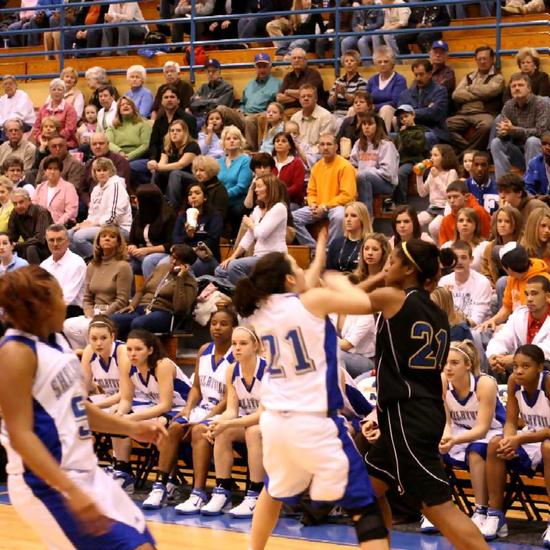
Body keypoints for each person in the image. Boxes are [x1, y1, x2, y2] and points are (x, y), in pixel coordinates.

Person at [0, 266, 165, 550]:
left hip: (87, 471)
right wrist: (70, 490)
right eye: (59, 297)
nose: (64, 304)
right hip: (47, 483)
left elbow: (78, 407)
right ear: (39, 306)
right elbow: (19, 434)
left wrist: (131, 427)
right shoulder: (15, 352)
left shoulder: (57, 341)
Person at [233, 252, 389, 550]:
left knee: (273, 491)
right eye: (297, 266)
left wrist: (319, 261)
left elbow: (303, 289)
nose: (304, 269)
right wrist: (336, 280)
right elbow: (364, 303)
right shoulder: (312, 301)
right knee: (365, 508)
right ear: (289, 278)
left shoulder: (260, 309)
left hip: (275, 423)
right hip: (313, 422)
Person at [347, 239, 489, 549]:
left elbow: (344, 300)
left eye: (393, 261)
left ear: (409, 269)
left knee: (436, 506)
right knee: (366, 491)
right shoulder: (438, 313)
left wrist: (374, 276)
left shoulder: (394, 298)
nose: (388, 266)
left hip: (407, 415)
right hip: (416, 411)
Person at [142, 309, 237, 511]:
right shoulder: (204, 350)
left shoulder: (236, 354)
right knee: (174, 427)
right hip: (201, 408)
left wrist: (206, 418)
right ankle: (161, 485)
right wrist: (187, 409)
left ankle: (198, 492)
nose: (217, 328)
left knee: (198, 430)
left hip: (225, 411)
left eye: (223, 324)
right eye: (214, 323)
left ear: (234, 328)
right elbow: (196, 387)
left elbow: (229, 397)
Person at [426, 340, 505, 533]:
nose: (448, 368)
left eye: (454, 363)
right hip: (460, 430)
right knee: (431, 447)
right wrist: (446, 437)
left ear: (468, 365)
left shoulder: (485, 383)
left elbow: (482, 429)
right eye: (445, 363)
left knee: (475, 451)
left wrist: (454, 440)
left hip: (492, 431)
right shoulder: (442, 381)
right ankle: (437, 508)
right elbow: (446, 422)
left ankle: (481, 510)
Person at [482, 344, 550, 544]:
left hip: (544, 440)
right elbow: (511, 422)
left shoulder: (548, 383)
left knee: (548, 447)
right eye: (515, 366)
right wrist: (509, 440)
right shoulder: (513, 381)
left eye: (526, 366)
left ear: (540, 367)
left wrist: (519, 439)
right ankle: (495, 515)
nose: (518, 371)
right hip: (532, 437)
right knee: (496, 444)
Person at [112, 329, 192, 492]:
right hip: (154, 405)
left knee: (160, 424)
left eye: (138, 349)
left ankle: (169, 478)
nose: (132, 354)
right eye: (129, 349)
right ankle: (123, 472)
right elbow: (126, 399)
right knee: (116, 418)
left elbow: (165, 405)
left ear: (150, 350)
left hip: (183, 406)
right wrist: (120, 414)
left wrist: (132, 418)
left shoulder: (162, 365)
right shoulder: (127, 365)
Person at [200, 326, 267, 517]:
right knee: (222, 431)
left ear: (255, 346)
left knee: (252, 431)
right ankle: (222, 490)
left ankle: (255, 494)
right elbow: (231, 410)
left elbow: (262, 414)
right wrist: (216, 423)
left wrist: (228, 423)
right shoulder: (231, 370)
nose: (237, 348)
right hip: (250, 422)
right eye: (234, 343)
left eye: (243, 343)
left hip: (278, 422)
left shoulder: (268, 370)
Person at [63, 225, 133, 350]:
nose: (107, 239)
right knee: (67, 325)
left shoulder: (123, 266)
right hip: (94, 311)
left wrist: (103, 316)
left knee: (88, 328)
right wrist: (89, 313)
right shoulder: (92, 265)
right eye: (104, 236)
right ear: (98, 241)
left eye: (112, 237)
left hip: (112, 313)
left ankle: (95, 355)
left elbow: (122, 300)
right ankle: (82, 355)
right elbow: (87, 297)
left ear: (118, 243)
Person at [111, 244, 198, 340]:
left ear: (186, 265)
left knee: (138, 323)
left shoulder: (190, 282)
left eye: (178, 260)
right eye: (172, 257)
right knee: (114, 320)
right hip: (143, 308)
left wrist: (180, 279)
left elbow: (180, 308)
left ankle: (134, 346)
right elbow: (142, 290)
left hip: (163, 313)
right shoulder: (161, 268)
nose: (173, 261)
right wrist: (132, 305)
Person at [215, 174, 287, 285]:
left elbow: (262, 233)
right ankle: (242, 291)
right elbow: (248, 237)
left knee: (234, 267)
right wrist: (232, 257)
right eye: (255, 187)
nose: (256, 190)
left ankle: (250, 293)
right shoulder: (257, 209)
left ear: (270, 188)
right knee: (220, 271)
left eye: (259, 186)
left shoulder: (279, 208)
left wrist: (250, 224)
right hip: (257, 257)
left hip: (273, 257)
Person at [292, 133, 357, 248]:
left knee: (339, 216)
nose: (325, 147)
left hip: (338, 206)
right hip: (318, 206)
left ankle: (332, 250)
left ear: (336, 147)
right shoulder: (316, 167)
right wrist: (313, 204)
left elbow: (348, 195)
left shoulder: (345, 166)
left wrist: (325, 206)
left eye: (329, 144)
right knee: (292, 217)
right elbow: (311, 192)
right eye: (322, 144)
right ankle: (314, 249)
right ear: (318, 147)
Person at [479, 242, 550, 333]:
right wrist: (493, 320)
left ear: (508, 269)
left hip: (538, 329)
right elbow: (507, 307)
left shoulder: (542, 281)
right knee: (482, 331)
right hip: (516, 324)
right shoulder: (512, 278)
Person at [490, 73, 550, 180]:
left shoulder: (541, 103)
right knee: (496, 143)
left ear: (529, 88)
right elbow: (502, 131)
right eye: (513, 86)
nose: (517, 88)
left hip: (540, 151)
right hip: (518, 152)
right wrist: (503, 132)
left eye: (520, 85)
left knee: (532, 141)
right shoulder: (508, 105)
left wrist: (514, 130)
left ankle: (533, 183)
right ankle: (504, 183)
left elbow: (541, 131)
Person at [69, 157, 132, 259]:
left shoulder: (116, 186)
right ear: (94, 173)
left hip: (119, 228)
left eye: (105, 170)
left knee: (79, 237)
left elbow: (113, 217)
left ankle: (102, 261)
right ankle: (86, 261)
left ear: (110, 171)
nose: (101, 173)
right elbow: (92, 214)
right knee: (69, 234)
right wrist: (83, 224)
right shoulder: (96, 189)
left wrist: (93, 224)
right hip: (101, 226)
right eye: (98, 170)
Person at [486, 276, 550, 376]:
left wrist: (515, 359)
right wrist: (495, 356)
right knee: (492, 364)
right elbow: (501, 338)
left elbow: (546, 350)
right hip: (516, 366)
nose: (529, 299)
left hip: (542, 367)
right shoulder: (519, 314)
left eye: (534, 294)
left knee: (543, 363)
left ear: (547, 296)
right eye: (527, 294)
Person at [447, 46, 504, 154]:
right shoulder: (468, 76)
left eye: (485, 59)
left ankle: (465, 154)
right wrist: (480, 93)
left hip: (484, 113)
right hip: (463, 113)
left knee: (487, 126)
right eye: (479, 59)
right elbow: (456, 95)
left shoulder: (498, 77)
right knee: (445, 126)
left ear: (492, 59)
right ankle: (469, 151)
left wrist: (469, 88)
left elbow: (489, 91)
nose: (482, 62)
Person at [349, 114, 399, 217]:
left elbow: (388, 172)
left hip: (386, 183)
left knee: (363, 177)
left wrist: (365, 172)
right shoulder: (358, 143)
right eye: (364, 124)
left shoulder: (386, 145)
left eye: (370, 124)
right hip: (363, 179)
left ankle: (367, 219)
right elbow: (352, 164)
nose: (366, 127)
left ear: (378, 126)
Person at [173, 182, 223, 276]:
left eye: (197, 193)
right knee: (163, 263)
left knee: (188, 267)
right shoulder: (182, 216)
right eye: (190, 194)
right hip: (184, 255)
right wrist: (188, 235)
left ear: (205, 198)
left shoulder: (214, 216)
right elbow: (176, 239)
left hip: (205, 257)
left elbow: (212, 240)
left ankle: (189, 286)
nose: (193, 196)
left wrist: (191, 249)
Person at [148, 119, 200, 209]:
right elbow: (161, 165)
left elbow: (180, 165)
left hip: (193, 179)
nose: (174, 133)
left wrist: (157, 167)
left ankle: (172, 207)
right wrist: (154, 165)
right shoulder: (168, 147)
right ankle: (153, 202)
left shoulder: (192, 146)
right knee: (157, 172)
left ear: (185, 133)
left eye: (178, 130)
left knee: (175, 173)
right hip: (175, 178)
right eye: (172, 131)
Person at [127, 183, 176, 278]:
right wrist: (132, 246)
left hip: (165, 254)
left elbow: (170, 245)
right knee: (125, 261)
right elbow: (132, 240)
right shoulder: (139, 215)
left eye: (138, 198)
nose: (135, 200)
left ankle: (151, 287)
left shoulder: (169, 216)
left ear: (148, 201)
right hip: (143, 253)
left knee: (149, 260)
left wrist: (147, 250)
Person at [439, 240, 493, 326]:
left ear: (471, 260)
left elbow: (477, 319)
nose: (459, 262)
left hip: (475, 328)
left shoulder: (482, 282)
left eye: (463, 258)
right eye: (455, 258)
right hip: (451, 327)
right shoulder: (443, 282)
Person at [398, 60, 449, 149]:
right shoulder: (405, 94)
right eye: (416, 75)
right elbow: (400, 115)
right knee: (393, 137)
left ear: (430, 74)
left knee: (423, 137)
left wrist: (410, 113)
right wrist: (425, 110)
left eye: (421, 74)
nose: (418, 78)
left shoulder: (440, 91)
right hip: (410, 129)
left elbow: (434, 115)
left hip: (433, 130)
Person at [81, 315, 127, 409]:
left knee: (114, 411)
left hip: (133, 400)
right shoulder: (89, 351)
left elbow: (124, 394)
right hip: (108, 399)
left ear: (112, 337)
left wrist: (93, 408)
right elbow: (83, 388)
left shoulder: (122, 351)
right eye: (94, 339)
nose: (98, 343)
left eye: (104, 338)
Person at [41, 223, 86, 318]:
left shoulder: (77, 263)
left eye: (59, 240)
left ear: (68, 241)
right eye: (51, 240)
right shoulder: (44, 265)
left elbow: (67, 298)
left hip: (72, 311)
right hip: (50, 307)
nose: (55, 244)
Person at [106, 96, 152, 188]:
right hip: (118, 157)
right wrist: (120, 152)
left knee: (127, 167)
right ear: (118, 110)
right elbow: (109, 143)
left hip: (139, 158)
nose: (125, 106)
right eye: (122, 105)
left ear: (133, 108)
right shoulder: (112, 127)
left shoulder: (143, 125)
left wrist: (129, 157)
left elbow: (145, 145)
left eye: (128, 104)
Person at [416, 144, 459, 240]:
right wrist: (419, 176)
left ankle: (438, 245)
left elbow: (449, 194)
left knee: (433, 227)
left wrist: (436, 177)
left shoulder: (451, 172)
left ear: (445, 157)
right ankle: (425, 243)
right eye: (431, 155)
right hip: (433, 208)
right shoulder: (432, 172)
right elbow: (422, 193)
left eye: (435, 155)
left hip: (446, 208)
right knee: (415, 221)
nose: (431, 158)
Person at [217, 126, 253, 237]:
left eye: (235, 138)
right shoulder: (218, 162)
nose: (232, 141)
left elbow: (241, 186)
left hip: (238, 201)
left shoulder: (246, 160)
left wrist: (222, 196)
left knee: (236, 211)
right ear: (223, 143)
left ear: (240, 141)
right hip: (222, 201)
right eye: (228, 139)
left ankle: (234, 240)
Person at [82, 133, 130, 208]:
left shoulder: (120, 161)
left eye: (101, 143)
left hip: (114, 204)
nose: (97, 146)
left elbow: (120, 186)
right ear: (90, 147)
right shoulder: (89, 165)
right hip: (93, 205)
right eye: (94, 144)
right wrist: (89, 203)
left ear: (108, 144)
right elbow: (82, 189)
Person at [365, 46, 407, 133]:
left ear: (392, 63)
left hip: (393, 112)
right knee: (353, 109)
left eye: (386, 61)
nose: (382, 64)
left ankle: (381, 137)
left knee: (386, 109)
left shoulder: (399, 79)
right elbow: (366, 98)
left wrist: (375, 107)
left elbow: (396, 102)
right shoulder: (372, 80)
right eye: (379, 62)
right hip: (373, 111)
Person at [480, 205, 522, 289]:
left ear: (516, 224)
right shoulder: (490, 247)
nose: (502, 225)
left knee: (502, 282)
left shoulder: (523, 245)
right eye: (499, 221)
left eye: (507, 221)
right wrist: (488, 282)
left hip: (519, 287)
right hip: (494, 289)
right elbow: (485, 272)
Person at [439, 179, 491, 246]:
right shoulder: (446, 220)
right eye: (449, 197)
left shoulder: (478, 211)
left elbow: (487, 236)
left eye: (455, 197)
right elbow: (443, 246)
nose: (451, 201)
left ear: (466, 197)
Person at [8, 188, 53, 264]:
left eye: (21, 202)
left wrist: (17, 245)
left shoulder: (41, 212)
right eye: (15, 203)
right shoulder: (15, 213)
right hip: (26, 246)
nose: (18, 206)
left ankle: (35, 272)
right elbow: (11, 236)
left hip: (46, 248)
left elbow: (39, 239)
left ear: (29, 201)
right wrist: (7, 244)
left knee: (30, 249)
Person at [393, 104, 428, 205]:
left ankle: (402, 203)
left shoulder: (419, 131)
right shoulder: (400, 133)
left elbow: (414, 149)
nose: (403, 119)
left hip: (412, 160)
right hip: (399, 161)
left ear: (413, 115)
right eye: (401, 118)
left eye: (406, 116)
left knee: (400, 173)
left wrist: (404, 134)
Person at [31, 79, 78, 149]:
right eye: (54, 89)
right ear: (50, 92)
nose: (56, 92)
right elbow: (36, 128)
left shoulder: (70, 109)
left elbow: (70, 129)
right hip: (44, 142)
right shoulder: (43, 108)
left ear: (64, 92)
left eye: (59, 90)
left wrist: (53, 139)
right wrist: (41, 138)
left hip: (64, 143)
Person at [326, 202, 372, 273]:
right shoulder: (336, 243)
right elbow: (327, 270)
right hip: (335, 279)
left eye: (353, 216)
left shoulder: (369, 243)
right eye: (346, 216)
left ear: (362, 219)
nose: (348, 219)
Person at [33, 156, 79, 226]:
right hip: (40, 226)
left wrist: (56, 225)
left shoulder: (69, 187)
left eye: (55, 169)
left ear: (60, 172)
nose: (52, 172)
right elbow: (34, 208)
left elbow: (71, 212)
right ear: (45, 171)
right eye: (49, 168)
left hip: (62, 227)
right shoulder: (40, 187)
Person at [276, 47, 325, 112]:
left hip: (311, 110)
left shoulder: (314, 74)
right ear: (291, 61)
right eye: (294, 58)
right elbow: (279, 98)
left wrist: (288, 92)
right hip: (290, 111)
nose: (296, 60)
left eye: (299, 58)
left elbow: (307, 94)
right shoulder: (288, 76)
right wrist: (298, 96)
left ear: (305, 60)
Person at [290, 84, 336, 152]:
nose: (306, 98)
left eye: (309, 96)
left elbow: (324, 145)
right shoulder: (294, 118)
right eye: (303, 96)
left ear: (316, 99)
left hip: (317, 155)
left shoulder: (326, 117)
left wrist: (305, 154)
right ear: (299, 100)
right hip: (297, 153)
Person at [327, 50, 368, 121]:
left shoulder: (362, 82)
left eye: (352, 61)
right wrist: (335, 94)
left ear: (357, 63)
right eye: (346, 61)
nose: (349, 63)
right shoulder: (338, 81)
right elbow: (330, 104)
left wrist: (345, 94)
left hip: (352, 113)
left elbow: (358, 103)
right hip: (336, 114)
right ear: (343, 64)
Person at [271, 131, 306, 210]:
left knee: (277, 210)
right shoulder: (270, 162)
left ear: (290, 146)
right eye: (277, 141)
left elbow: (297, 187)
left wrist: (278, 195)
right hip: (270, 200)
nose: (280, 143)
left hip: (291, 201)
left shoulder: (297, 162)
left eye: (284, 141)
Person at [191, 155, 229, 220]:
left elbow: (220, 216)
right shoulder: (195, 186)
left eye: (201, 170)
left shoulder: (220, 189)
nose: (197, 173)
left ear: (211, 171)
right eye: (196, 170)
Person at [465, 151, 499, 215]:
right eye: (476, 165)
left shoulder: (499, 188)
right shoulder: (464, 186)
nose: (479, 169)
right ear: (472, 166)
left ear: (490, 167)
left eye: (483, 165)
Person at [525, 130, 550, 197]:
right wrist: (535, 198)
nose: (547, 148)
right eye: (544, 144)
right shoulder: (534, 163)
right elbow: (528, 189)